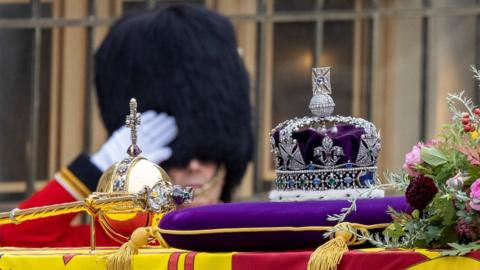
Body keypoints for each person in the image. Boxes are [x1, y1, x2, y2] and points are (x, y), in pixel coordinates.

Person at [0, 4, 253, 247]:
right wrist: (95, 168)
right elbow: (9, 238)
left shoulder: (251, 232)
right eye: (176, 157)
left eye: (208, 156)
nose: (193, 165)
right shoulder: (116, 241)